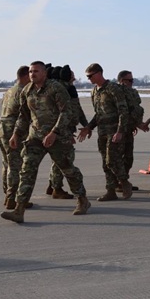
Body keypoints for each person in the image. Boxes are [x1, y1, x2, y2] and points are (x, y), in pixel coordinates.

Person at [1, 61, 89, 222]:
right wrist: (16, 134)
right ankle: (19, 210)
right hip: (35, 138)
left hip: (58, 138)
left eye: (36, 71)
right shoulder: (27, 91)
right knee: (27, 171)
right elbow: (23, 116)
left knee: (68, 170)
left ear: (44, 73)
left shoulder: (56, 88)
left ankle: (82, 200)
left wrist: (54, 132)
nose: (32, 74)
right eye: (30, 72)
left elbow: (66, 112)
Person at [79, 63, 133, 201]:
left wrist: (120, 131)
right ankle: (111, 191)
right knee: (105, 162)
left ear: (99, 73)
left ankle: (124, 182)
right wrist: (89, 127)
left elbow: (123, 111)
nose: (89, 79)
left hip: (114, 131)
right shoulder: (94, 91)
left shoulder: (113, 89)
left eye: (90, 76)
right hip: (102, 131)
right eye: (87, 76)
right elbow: (99, 114)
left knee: (112, 160)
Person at [46, 65, 89, 200]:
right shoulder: (66, 89)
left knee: (56, 159)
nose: (75, 78)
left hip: (54, 129)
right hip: (61, 130)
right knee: (64, 159)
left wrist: (86, 125)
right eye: (72, 75)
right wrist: (69, 131)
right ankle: (56, 188)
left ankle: (52, 185)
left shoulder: (54, 87)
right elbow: (71, 111)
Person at [0, 65, 31, 209]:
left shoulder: (9, 91)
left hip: (2, 131)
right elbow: (26, 113)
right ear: (24, 76)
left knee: (7, 164)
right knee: (15, 166)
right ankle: (13, 198)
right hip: (14, 133)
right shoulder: (23, 92)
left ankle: (7, 195)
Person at [117, 70, 148, 184]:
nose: (131, 82)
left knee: (128, 157)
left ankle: (123, 180)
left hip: (129, 129)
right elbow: (124, 112)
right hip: (119, 129)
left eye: (132, 80)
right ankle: (119, 181)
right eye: (129, 80)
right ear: (122, 80)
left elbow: (136, 110)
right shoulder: (117, 93)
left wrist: (136, 123)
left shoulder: (133, 92)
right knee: (118, 158)